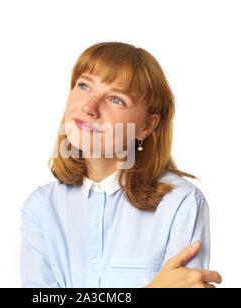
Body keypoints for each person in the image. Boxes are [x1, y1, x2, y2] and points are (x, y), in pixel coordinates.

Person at [20, 41, 222, 288]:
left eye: (116, 99)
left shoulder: (181, 204)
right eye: (84, 85)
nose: (88, 107)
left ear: (146, 127)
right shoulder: (41, 208)